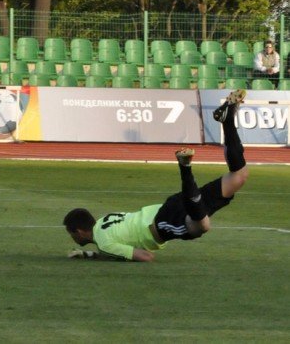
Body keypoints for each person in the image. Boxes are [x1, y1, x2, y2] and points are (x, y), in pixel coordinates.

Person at [63, 89, 249, 262]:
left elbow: (145, 256)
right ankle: (227, 120)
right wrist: (87, 254)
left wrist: (98, 254)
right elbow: (111, 249)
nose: (72, 237)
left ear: (79, 232)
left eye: (71, 234)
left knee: (202, 227)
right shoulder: (104, 221)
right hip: (170, 207)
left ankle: (185, 167)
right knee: (239, 176)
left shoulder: (104, 243)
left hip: (162, 225)